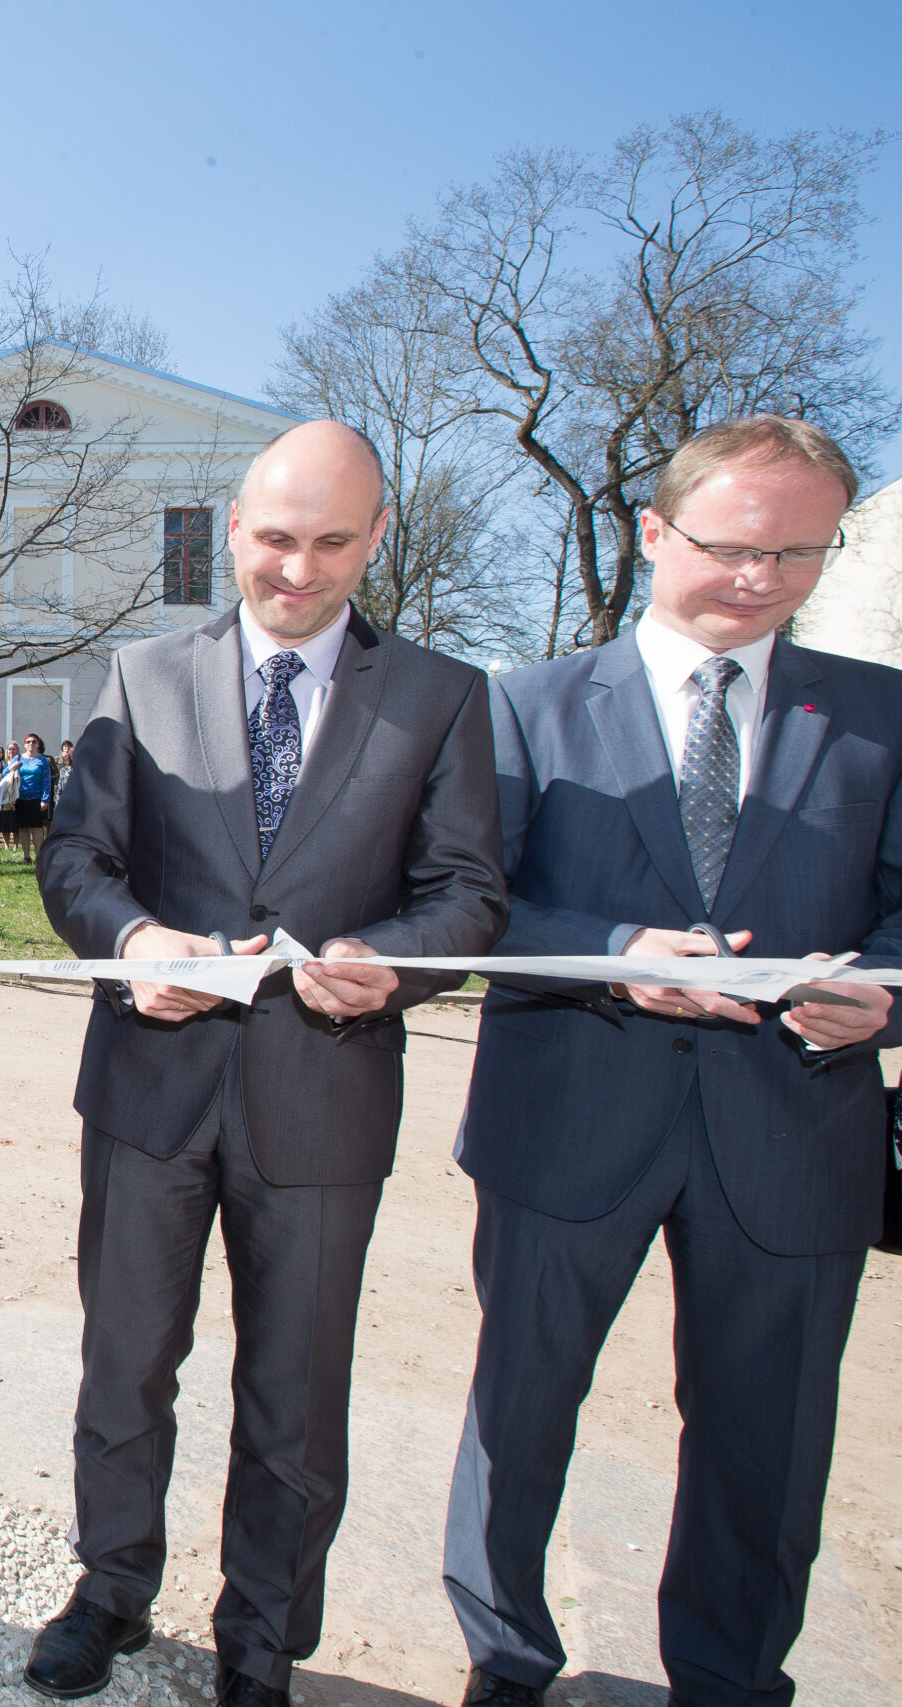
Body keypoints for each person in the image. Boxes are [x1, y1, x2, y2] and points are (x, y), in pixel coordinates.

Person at [33, 420, 506, 1707]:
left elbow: (468, 892)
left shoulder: (441, 696)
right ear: (233, 528)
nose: (297, 570)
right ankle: (109, 1590)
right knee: (124, 1362)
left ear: (376, 538)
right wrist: (132, 940)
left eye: (331, 542)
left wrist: (390, 960)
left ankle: (260, 1640)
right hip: (148, 1089)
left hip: (323, 1092)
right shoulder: (142, 674)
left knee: (294, 1393)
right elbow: (74, 858)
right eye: (276, 539)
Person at [443, 417, 900, 1707]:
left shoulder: (881, 716)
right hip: (567, 1114)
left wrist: (878, 999)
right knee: (519, 1412)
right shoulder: (522, 703)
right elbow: (468, 906)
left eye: (797, 554)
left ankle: (730, 1676)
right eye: (731, 546)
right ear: (652, 532)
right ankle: (504, 1658)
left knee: (768, 1439)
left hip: (793, 1130)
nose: (759, 578)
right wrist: (608, 951)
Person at [12, 732, 54, 864]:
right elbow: (5, 773)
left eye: (34, 742)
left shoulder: (42, 760)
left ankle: (39, 857)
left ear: (38, 744)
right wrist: (13, 767)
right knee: (23, 828)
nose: (31, 744)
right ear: (24, 744)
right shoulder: (18, 758)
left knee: (36, 828)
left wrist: (45, 799)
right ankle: (26, 856)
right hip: (20, 797)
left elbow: (46, 780)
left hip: (36, 798)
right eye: (28, 742)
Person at [0, 746, 22, 850]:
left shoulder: (21, 761)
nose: (11, 751)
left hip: (17, 793)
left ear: (17, 750)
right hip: (4, 795)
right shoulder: (3, 763)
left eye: (13, 749)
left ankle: (16, 845)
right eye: (9, 749)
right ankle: (6, 845)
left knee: (16, 821)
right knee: (5, 820)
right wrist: (10, 768)